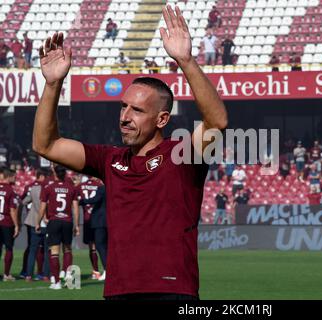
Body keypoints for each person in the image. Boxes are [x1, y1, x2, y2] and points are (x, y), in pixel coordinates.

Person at [33, 4, 227, 300]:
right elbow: (46, 145)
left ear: (162, 119)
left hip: (171, 290)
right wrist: (53, 84)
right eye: (123, 106)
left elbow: (217, 121)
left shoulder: (182, 155)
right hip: (119, 292)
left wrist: (186, 61)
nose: (124, 116)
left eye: (136, 110)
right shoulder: (110, 160)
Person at [36, 165, 80, 290]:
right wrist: (76, 225)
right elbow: (75, 209)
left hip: (54, 221)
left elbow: (42, 208)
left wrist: (38, 222)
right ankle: (67, 274)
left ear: (55, 174)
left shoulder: (48, 188)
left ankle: (56, 282)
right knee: (67, 249)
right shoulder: (72, 188)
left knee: (54, 251)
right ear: (65, 175)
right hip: (67, 221)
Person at [22, 169, 50, 281]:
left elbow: (23, 201)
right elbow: (47, 206)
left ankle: (28, 275)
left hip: (34, 222)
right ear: (43, 176)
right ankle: (46, 275)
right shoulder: (49, 189)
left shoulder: (33, 189)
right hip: (47, 223)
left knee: (33, 250)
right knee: (48, 250)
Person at [79, 183, 107, 281]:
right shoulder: (113, 187)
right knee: (106, 246)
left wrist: (82, 201)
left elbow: (95, 199)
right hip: (109, 220)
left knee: (100, 246)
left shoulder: (102, 188)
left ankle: (107, 270)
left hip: (100, 221)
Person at [0, 169, 19, 281]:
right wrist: (16, 225)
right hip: (6, 223)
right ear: (9, 177)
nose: (15, 179)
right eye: (14, 177)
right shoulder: (10, 191)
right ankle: (6, 274)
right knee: (9, 248)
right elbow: (12, 210)